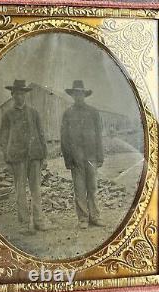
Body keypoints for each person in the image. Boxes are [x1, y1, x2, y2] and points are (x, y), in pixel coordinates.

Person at [0, 80, 53, 232]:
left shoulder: (34, 113)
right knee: (20, 191)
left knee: (36, 190)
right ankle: (24, 224)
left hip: (35, 156)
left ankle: (38, 221)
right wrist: (7, 156)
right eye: (17, 93)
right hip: (17, 158)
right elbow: (3, 137)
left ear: (25, 95)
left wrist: (44, 156)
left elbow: (41, 134)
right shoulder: (8, 115)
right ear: (12, 95)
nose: (19, 96)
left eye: (22, 94)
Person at [61, 80, 104, 229]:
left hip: (91, 156)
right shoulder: (67, 114)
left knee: (92, 187)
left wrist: (100, 156)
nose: (78, 96)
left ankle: (95, 217)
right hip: (76, 158)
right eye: (75, 94)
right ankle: (83, 219)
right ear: (72, 95)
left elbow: (99, 135)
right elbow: (64, 138)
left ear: (84, 95)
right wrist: (68, 159)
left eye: (80, 93)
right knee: (79, 189)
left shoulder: (93, 112)